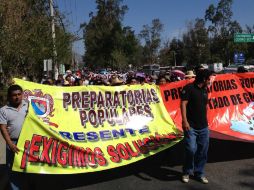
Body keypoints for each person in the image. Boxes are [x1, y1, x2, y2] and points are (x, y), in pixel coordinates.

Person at [180, 69, 213, 184]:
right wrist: (185, 121)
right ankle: (187, 171)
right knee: (191, 150)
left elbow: (205, 106)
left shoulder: (205, 90)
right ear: (204, 79)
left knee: (203, 151)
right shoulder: (188, 88)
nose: (210, 81)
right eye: (209, 78)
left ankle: (199, 173)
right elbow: (183, 104)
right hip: (191, 126)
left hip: (204, 127)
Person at [0, 84, 29, 189]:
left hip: (28, 143)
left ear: (22, 95)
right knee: (13, 169)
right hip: (13, 143)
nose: (17, 97)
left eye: (19, 94)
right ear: (9, 96)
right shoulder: (4, 110)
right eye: (14, 95)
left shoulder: (29, 107)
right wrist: (10, 144)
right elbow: (3, 128)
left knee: (28, 168)